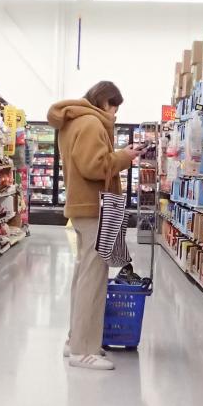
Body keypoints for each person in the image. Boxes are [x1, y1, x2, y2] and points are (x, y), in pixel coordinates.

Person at [47, 81, 144, 371]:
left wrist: (119, 154)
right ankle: (83, 350)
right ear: (105, 102)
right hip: (93, 207)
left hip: (82, 207)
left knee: (83, 274)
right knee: (93, 277)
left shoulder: (75, 119)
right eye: (114, 108)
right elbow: (93, 166)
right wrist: (125, 158)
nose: (115, 115)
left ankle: (74, 340)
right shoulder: (91, 123)